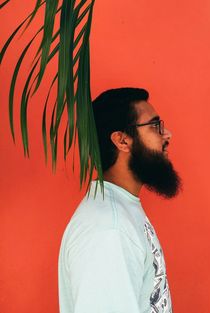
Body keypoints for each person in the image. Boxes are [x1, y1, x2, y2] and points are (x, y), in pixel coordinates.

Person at [58, 87, 182, 313]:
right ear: (122, 140)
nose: (167, 134)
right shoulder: (109, 230)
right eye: (155, 126)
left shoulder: (121, 211)